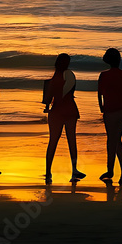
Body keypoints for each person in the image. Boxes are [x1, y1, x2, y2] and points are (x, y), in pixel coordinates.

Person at [97, 48, 122, 185]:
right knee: (116, 139)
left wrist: (101, 107)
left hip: (110, 110)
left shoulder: (103, 75)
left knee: (112, 139)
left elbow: (100, 94)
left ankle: (112, 170)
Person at [43, 53, 84, 184]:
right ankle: (74, 169)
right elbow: (70, 92)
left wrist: (48, 106)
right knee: (71, 140)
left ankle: (48, 171)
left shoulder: (53, 79)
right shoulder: (69, 75)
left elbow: (48, 98)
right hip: (69, 109)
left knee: (53, 142)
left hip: (56, 111)